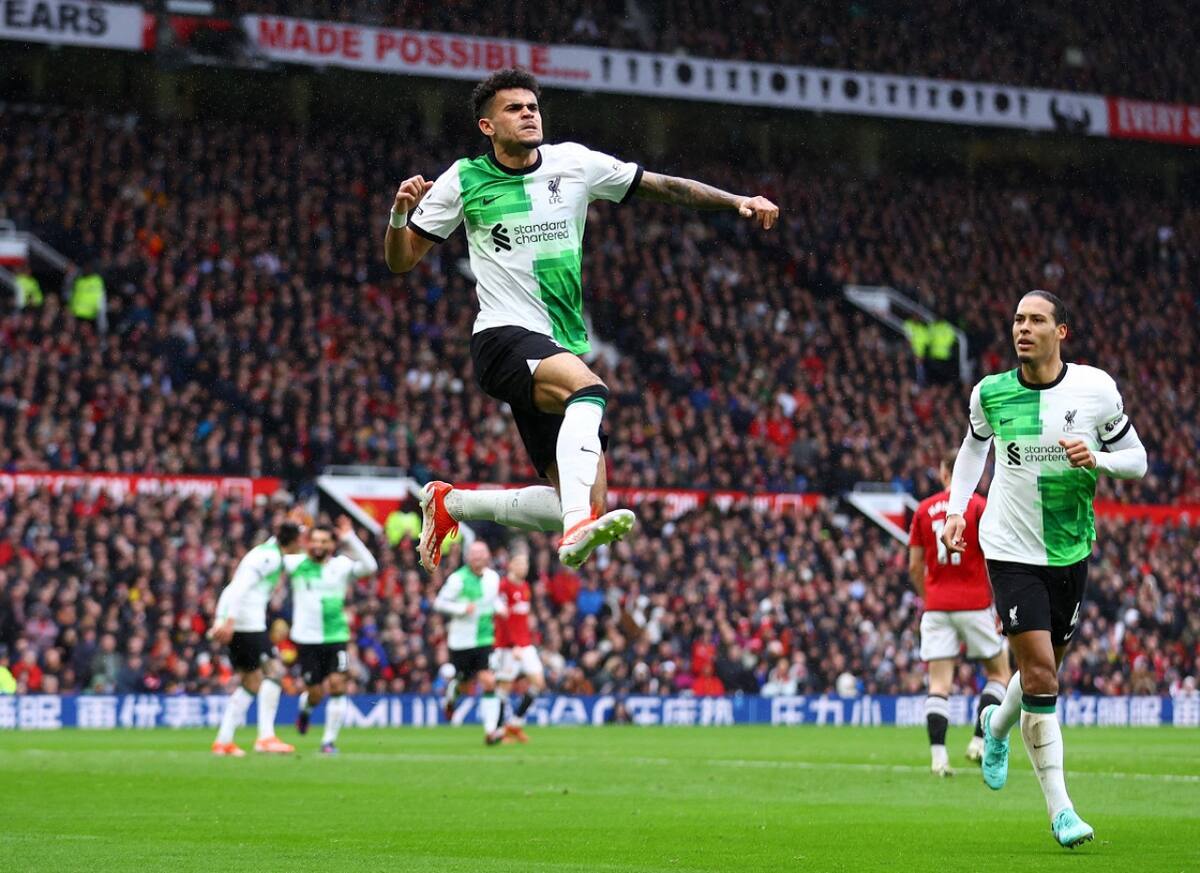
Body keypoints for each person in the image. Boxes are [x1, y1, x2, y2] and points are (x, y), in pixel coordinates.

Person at [384, 67, 779, 572]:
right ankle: (574, 529)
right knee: (589, 391)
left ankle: (452, 504)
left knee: (589, 499)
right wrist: (399, 216)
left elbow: (665, 187)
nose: (528, 113)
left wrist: (737, 199)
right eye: (514, 108)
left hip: (557, 344)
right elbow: (401, 260)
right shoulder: (462, 180)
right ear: (487, 126)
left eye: (532, 106)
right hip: (502, 337)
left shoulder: (574, 163)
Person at [942, 290, 1147, 849]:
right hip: (1010, 551)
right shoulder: (991, 394)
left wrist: (1098, 458)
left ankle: (995, 726)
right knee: (1040, 677)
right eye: (1017, 320)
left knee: (1041, 676)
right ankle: (1061, 810)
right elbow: (971, 450)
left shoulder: (1096, 390)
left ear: (1063, 332)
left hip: (1070, 550)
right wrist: (958, 511)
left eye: (1036, 320)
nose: (1023, 328)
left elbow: (1138, 460)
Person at [909, 448, 1009, 776]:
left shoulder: (924, 510)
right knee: (999, 674)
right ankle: (979, 742)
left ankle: (939, 758)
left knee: (939, 684)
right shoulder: (979, 506)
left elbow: (914, 565)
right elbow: (996, 555)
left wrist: (930, 595)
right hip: (975, 604)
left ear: (943, 472)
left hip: (937, 607)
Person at [209, 522, 304, 756]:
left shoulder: (267, 553)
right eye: (300, 539)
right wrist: (228, 620)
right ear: (292, 541)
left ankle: (223, 741)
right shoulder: (268, 558)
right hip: (247, 624)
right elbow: (239, 588)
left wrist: (221, 619)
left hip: (241, 623)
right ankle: (266, 737)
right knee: (274, 671)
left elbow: (231, 588)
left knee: (251, 682)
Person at [289, 517, 378, 755]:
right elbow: (273, 555)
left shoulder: (341, 566)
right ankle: (306, 710)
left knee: (338, 685)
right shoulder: (296, 564)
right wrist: (291, 529)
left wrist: (351, 538)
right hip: (307, 640)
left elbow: (370, 566)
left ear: (332, 544)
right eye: (315, 540)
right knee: (316, 693)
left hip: (336, 636)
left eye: (324, 541)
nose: (318, 545)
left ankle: (328, 742)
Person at [434, 540, 506, 745]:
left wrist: (500, 607)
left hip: (485, 639)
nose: (478, 559)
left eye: (481, 555)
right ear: (468, 558)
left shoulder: (493, 578)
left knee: (489, 681)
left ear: (487, 556)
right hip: (461, 641)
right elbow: (440, 603)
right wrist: (461, 609)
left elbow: (492, 599)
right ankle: (451, 696)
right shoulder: (458, 579)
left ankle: (491, 731)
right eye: (474, 555)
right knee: (465, 685)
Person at [492, 550, 545, 743]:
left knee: (538, 682)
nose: (525, 567)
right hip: (508, 646)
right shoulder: (503, 587)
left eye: (526, 564)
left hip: (525, 644)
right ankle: (497, 730)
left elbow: (521, 618)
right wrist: (512, 644)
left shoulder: (525, 587)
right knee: (504, 687)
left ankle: (514, 723)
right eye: (521, 563)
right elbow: (502, 618)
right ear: (511, 565)